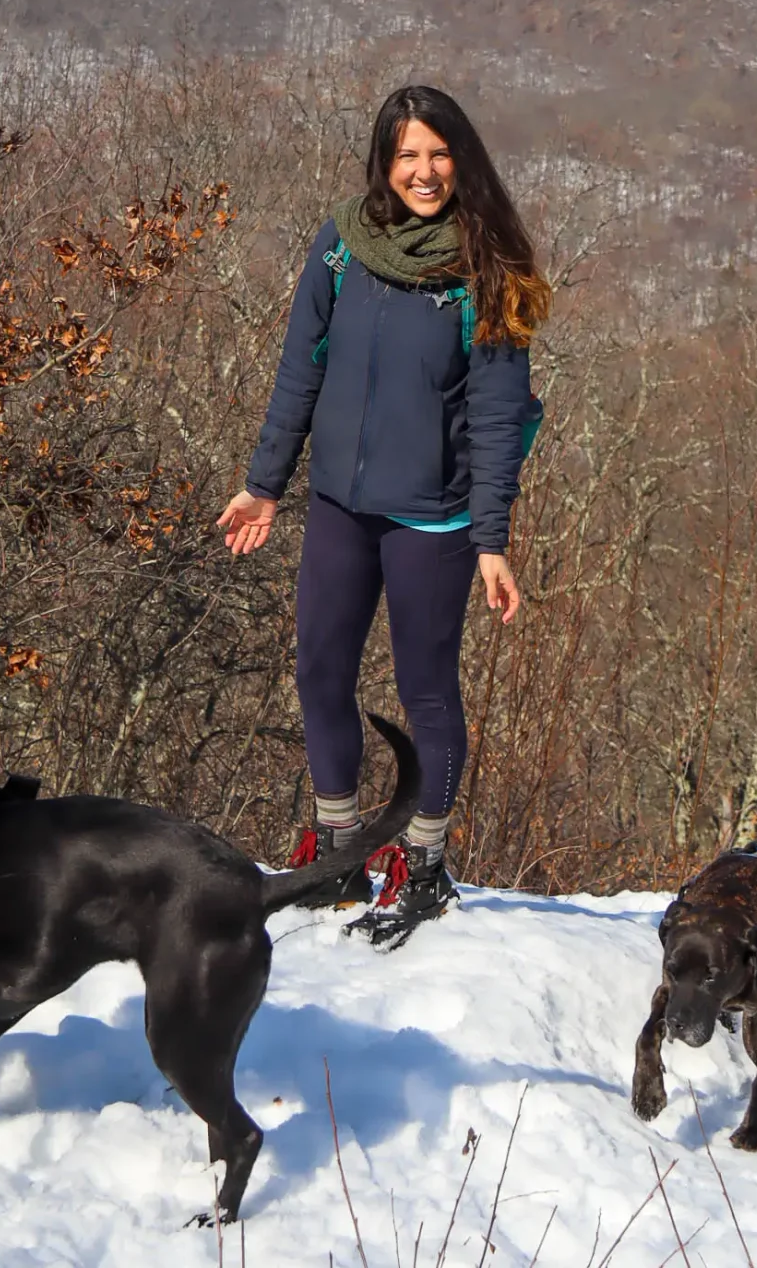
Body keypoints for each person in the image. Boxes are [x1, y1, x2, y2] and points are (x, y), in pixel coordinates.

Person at [218, 85, 550, 948]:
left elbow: (497, 416)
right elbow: (301, 369)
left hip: (431, 522)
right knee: (320, 673)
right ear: (384, 161)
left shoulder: (488, 272)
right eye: (408, 155)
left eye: (439, 154)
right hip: (337, 503)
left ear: (462, 158)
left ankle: (425, 862)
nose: (424, 171)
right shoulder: (341, 245)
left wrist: (491, 540)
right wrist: (265, 483)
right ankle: (337, 846)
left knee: (426, 692)